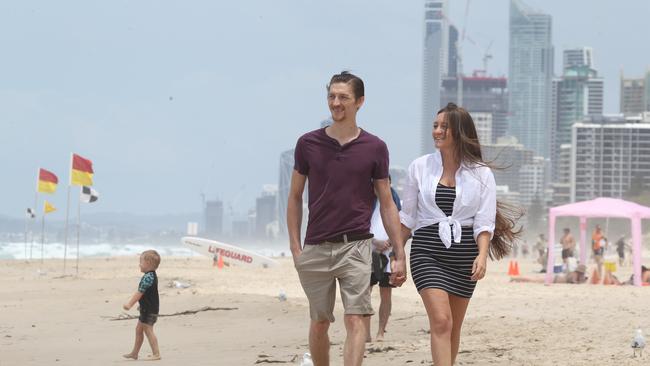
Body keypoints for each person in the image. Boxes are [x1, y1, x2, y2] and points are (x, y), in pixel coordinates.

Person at [287, 71, 406, 366]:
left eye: (343, 97)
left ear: (360, 102)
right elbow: (294, 197)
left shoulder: (375, 147)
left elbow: (387, 202)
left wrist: (399, 253)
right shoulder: (308, 144)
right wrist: (295, 248)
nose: (336, 103)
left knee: (355, 318)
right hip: (315, 247)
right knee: (320, 323)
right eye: (332, 96)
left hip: (355, 246)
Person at [399, 103, 521, 366]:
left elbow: (484, 221)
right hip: (427, 252)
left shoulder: (481, 174)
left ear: (460, 132)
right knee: (441, 322)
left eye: (444, 127)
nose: (437, 131)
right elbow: (407, 217)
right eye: (435, 126)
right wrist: (396, 253)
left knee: (453, 328)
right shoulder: (419, 167)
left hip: (463, 256)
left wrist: (482, 255)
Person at [364, 179, 401, 342]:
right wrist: (374, 241)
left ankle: (381, 332)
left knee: (386, 294)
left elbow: (402, 224)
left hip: (388, 254)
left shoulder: (394, 199)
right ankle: (365, 333)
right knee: (365, 294)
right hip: (367, 252)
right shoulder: (365, 200)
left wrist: (391, 243)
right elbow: (358, 225)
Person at [122, 250, 161, 361]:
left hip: (149, 310)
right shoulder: (150, 276)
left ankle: (156, 354)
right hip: (147, 308)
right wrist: (142, 305)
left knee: (148, 330)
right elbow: (148, 295)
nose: (139, 264)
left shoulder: (148, 277)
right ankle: (135, 353)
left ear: (148, 263)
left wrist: (129, 304)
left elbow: (140, 293)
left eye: (141, 262)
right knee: (139, 330)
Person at [511, 264, 588, 284]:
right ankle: (515, 278)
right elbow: (573, 282)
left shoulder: (574, 273)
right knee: (532, 280)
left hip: (554, 278)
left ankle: (516, 278)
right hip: (553, 279)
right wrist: (581, 281)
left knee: (533, 279)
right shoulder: (574, 274)